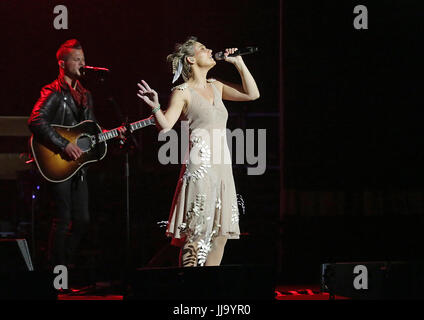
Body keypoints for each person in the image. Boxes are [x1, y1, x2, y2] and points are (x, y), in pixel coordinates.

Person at [137, 36, 259, 267]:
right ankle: (189, 293)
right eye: (204, 49)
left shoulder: (216, 85)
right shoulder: (182, 91)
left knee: (220, 236)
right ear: (191, 59)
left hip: (222, 169)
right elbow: (165, 125)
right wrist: (154, 106)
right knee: (196, 236)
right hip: (200, 168)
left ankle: (207, 291)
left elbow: (252, 94)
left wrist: (239, 63)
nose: (211, 50)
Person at [28, 39, 125, 269]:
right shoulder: (52, 92)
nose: (83, 63)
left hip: (78, 166)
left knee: (82, 220)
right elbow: (36, 120)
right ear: (62, 63)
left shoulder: (85, 94)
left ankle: (65, 267)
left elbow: (91, 128)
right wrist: (63, 145)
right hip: (57, 161)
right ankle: (56, 275)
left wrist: (114, 134)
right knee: (62, 219)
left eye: (84, 59)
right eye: (77, 60)